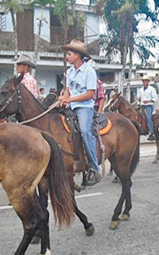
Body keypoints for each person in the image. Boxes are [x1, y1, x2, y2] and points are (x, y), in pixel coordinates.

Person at [58, 39, 100, 186]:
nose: (67, 57)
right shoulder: (69, 72)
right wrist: (63, 98)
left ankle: (94, 168)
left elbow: (90, 95)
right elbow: (67, 90)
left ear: (77, 55)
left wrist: (70, 100)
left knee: (84, 131)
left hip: (84, 107)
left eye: (69, 54)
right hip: (71, 105)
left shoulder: (89, 71)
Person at [137, 75, 157, 141]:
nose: (144, 82)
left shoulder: (152, 89)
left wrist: (148, 101)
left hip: (149, 106)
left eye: (145, 81)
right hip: (142, 105)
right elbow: (139, 98)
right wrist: (139, 100)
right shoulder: (140, 90)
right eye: (143, 81)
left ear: (148, 82)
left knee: (149, 118)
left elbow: (155, 98)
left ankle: (151, 133)